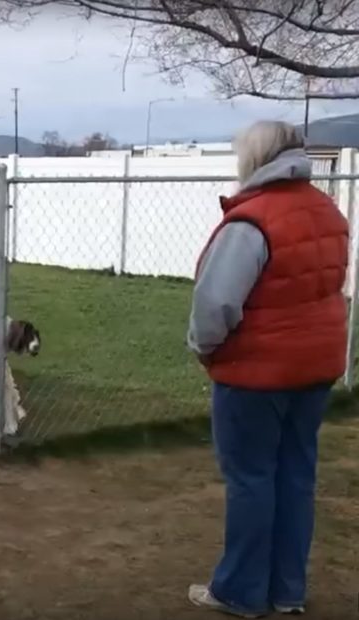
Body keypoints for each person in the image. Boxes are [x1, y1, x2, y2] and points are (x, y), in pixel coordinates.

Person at [186, 120, 349, 617]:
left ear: (254, 159)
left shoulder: (251, 221)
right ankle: (286, 591)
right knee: (295, 475)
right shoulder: (327, 210)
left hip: (255, 375)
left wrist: (204, 349)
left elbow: (215, 305)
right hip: (316, 368)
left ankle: (240, 590)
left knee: (252, 479)